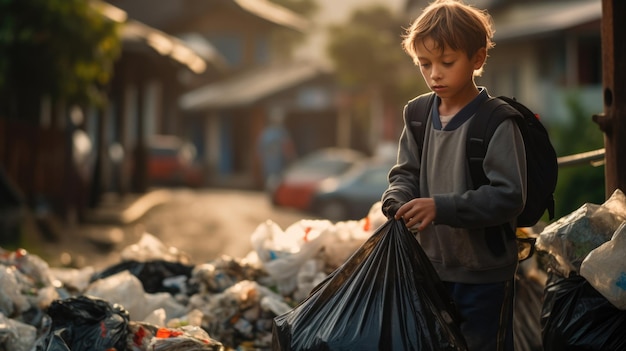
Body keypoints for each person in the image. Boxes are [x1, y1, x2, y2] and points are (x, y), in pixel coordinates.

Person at [381, 1, 526, 350]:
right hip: (429, 269)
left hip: (483, 277)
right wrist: (396, 199)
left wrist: (440, 207)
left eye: (447, 63)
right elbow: (405, 173)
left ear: (477, 59)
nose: (434, 74)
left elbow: (509, 196)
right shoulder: (416, 114)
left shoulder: (496, 122)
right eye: (424, 64)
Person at [257, 111, 296, 192]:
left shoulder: (265, 133)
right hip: (278, 166)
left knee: (271, 183)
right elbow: (288, 148)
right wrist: (292, 159)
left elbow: (260, 151)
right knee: (278, 184)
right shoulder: (281, 133)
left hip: (268, 166)